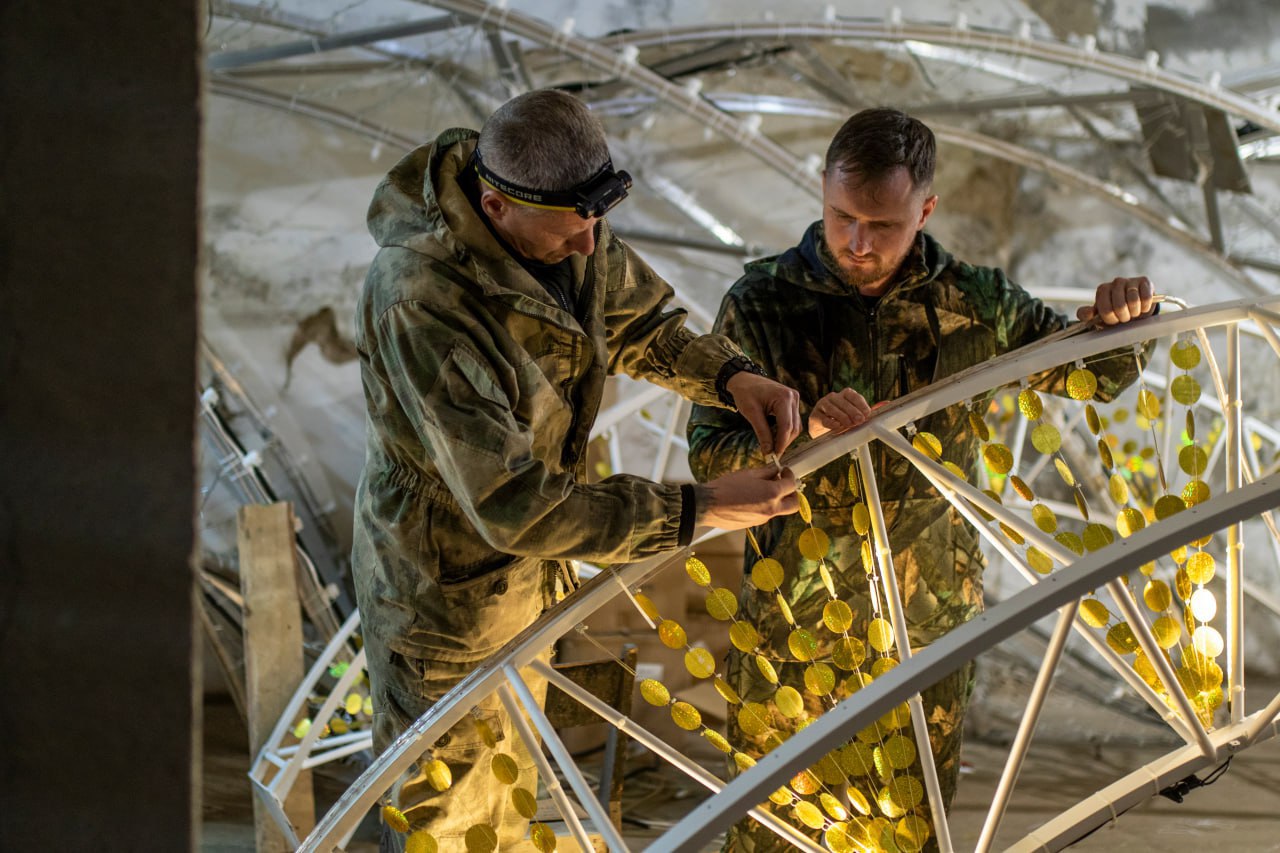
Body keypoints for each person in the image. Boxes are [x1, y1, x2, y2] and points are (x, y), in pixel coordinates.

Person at [687, 107, 1158, 852]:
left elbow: (1092, 373)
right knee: (776, 829)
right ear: (822, 189)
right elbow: (708, 452)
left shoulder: (974, 304)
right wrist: (800, 428)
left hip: (928, 627)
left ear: (927, 209)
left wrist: (1128, 319)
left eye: (883, 224)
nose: (857, 242)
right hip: (794, 625)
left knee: (910, 826)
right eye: (842, 216)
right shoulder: (763, 304)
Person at [350, 88, 804, 851]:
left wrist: (730, 376)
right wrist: (699, 508)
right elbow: (513, 502)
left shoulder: (566, 223)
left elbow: (638, 322)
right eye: (571, 230)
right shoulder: (421, 298)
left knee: (509, 786)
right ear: (495, 207)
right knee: (452, 811)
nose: (591, 247)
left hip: (521, 588)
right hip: (444, 599)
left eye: (597, 222)